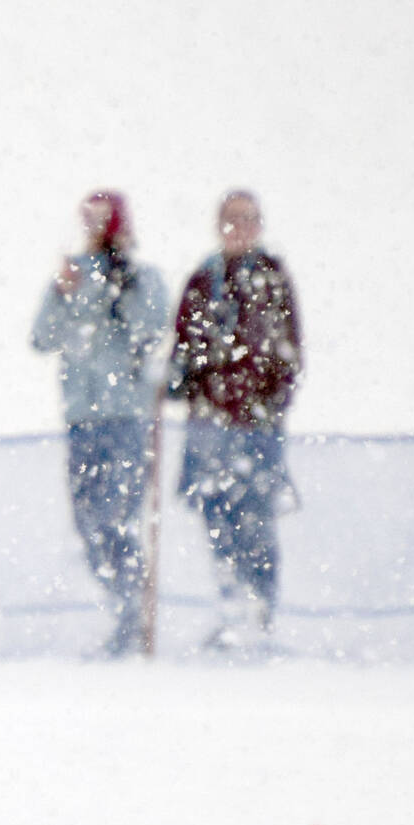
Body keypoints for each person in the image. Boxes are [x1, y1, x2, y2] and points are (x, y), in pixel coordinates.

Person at [31, 190, 171, 656]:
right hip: (81, 419)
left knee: (117, 519)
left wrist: (118, 286)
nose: (94, 227)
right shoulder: (70, 277)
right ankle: (120, 608)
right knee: (88, 524)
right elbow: (41, 337)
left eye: (102, 219)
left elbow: (148, 328)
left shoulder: (141, 277)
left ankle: (133, 616)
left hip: (126, 418)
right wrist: (61, 292)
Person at [169, 190, 303, 649]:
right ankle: (231, 609)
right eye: (230, 219)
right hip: (209, 423)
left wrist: (268, 400)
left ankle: (260, 613)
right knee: (217, 518)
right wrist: (180, 380)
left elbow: (289, 350)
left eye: (247, 219)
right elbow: (182, 348)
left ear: (259, 225)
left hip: (258, 424)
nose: (238, 228)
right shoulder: (202, 282)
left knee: (257, 520)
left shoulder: (273, 279)